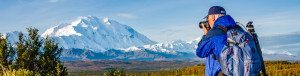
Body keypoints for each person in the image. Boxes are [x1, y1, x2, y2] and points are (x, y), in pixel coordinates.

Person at [196, 6, 237, 76]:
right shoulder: (238, 29)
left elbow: (200, 52)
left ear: (213, 17)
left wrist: (206, 34)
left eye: (207, 18)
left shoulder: (214, 33)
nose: (207, 21)